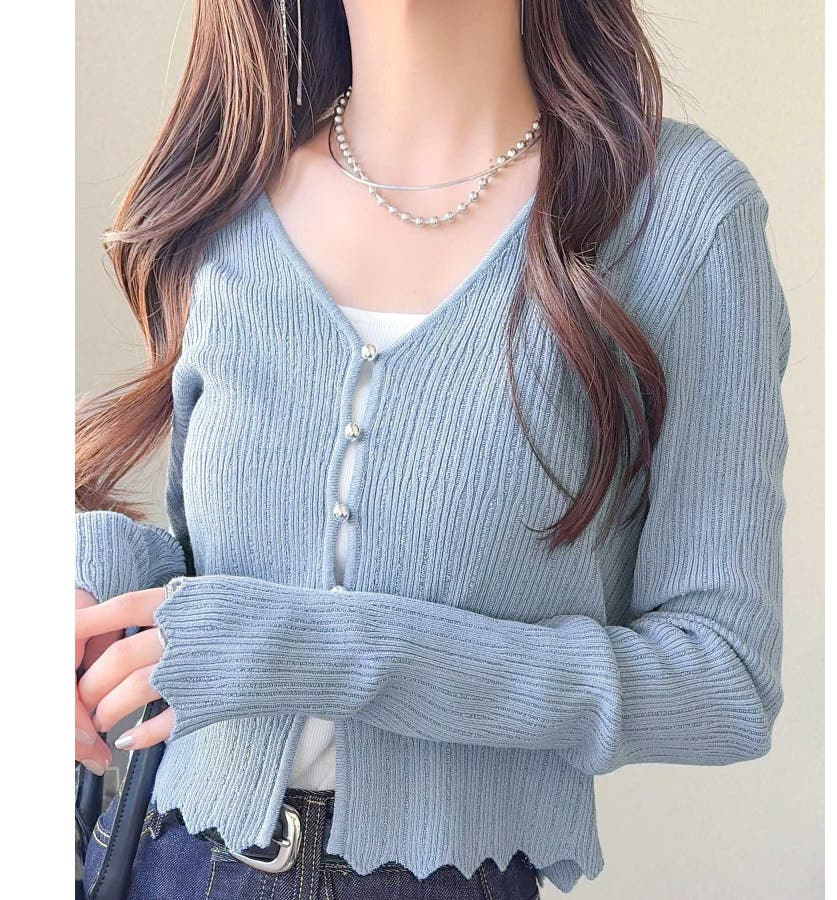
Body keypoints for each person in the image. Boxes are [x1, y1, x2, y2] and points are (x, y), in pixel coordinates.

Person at [74, 1, 791, 897]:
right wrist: (88, 579)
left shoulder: (680, 215)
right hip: (166, 857)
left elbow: (722, 678)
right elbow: (213, 574)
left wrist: (332, 651)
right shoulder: (228, 199)